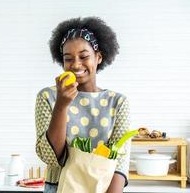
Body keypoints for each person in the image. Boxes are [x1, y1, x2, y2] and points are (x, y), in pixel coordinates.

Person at [35, 17, 131, 193]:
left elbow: (120, 162)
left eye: (84, 56)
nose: (76, 64)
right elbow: (51, 156)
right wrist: (61, 106)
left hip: (104, 189)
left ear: (98, 57)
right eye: (68, 58)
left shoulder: (117, 102)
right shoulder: (48, 97)